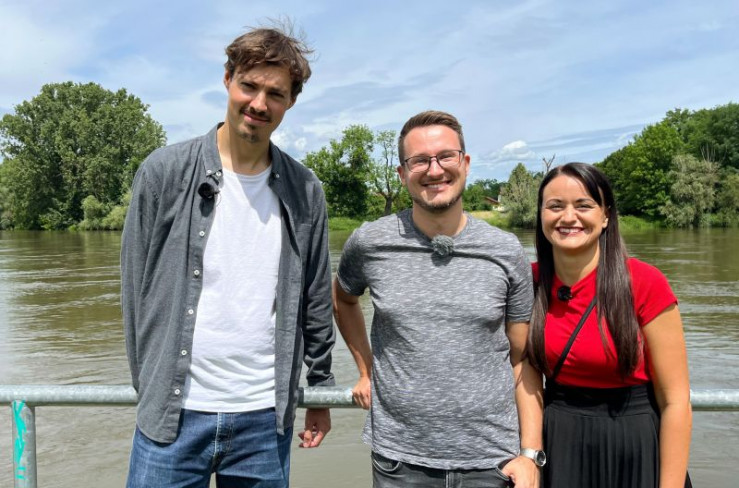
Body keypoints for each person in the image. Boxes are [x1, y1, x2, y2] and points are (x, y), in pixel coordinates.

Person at [120, 24, 335, 488]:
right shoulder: (163, 172)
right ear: (227, 79)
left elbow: (316, 298)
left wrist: (319, 389)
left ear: (291, 102)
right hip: (171, 419)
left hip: (264, 419)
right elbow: (134, 291)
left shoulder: (305, 190)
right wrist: (150, 387)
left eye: (275, 94)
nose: (259, 103)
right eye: (249, 85)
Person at [333, 110, 544, 488]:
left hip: (492, 460)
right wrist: (365, 370)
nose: (434, 170)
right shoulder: (369, 242)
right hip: (400, 459)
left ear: (465, 163)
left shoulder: (505, 250)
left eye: (446, 156)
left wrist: (529, 454)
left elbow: (521, 360)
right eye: (419, 160)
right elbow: (343, 299)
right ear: (402, 173)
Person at [528, 162, 692, 488]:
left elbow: (676, 401)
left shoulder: (645, 282)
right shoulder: (527, 282)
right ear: (541, 215)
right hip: (560, 443)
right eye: (555, 206)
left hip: (634, 443)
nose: (568, 217)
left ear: (605, 216)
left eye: (583, 205)